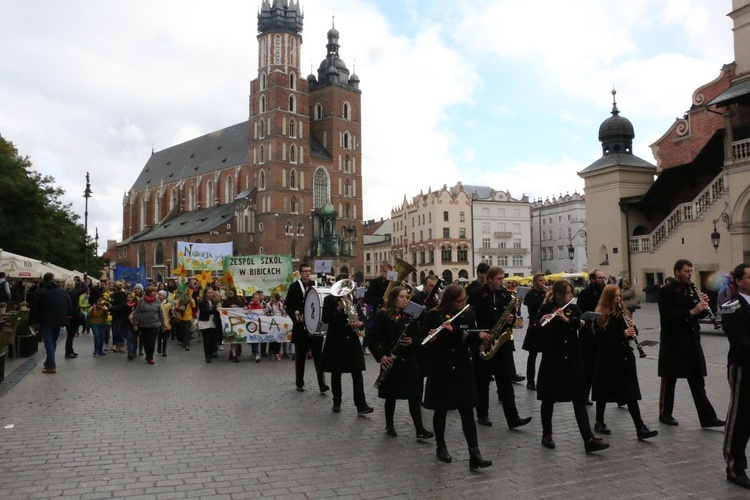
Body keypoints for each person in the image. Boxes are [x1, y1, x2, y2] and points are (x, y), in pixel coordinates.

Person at [422, 284, 492, 470]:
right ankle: (441, 446)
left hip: (462, 366)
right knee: (441, 408)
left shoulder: (468, 314)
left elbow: (473, 337)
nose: (462, 304)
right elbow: (423, 342)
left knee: (467, 410)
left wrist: (458, 333)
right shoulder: (433, 315)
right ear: (449, 301)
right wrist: (432, 338)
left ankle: (474, 453)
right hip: (441, 367)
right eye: (459, 302)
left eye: (464, 301)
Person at [536, 280, 609, 453]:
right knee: (548, 398)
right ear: (559, 295)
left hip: (573, 358)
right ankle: (547, 434)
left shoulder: (573, 309)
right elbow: (538, 330)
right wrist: (542, 322)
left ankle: (588, 438)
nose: (571, 296)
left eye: (571, 293)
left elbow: (583, 324)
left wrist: (566, 319)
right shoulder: (547, 308)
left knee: (579, 398)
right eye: (568, 293)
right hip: (553, 358)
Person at [657, 259, 724, 428]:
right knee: (669, 378)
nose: (689, 274)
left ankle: (707, 417)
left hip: (691, 340)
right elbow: (668, 316)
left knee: (697, 379)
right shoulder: (666, 291)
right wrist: (691, 311)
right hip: (673, 340)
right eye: (686, 271)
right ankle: (665, 413)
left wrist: (703, 308)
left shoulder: (692, 290)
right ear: (676, 272)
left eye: (691, 271)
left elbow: (697, 315)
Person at [467, 266, 531, 429]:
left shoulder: (506, 295)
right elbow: (468, 317)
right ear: (489, 279)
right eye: (499, 279)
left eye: (503, 278)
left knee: (505, 382)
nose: (502, 282)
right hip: (484, 341)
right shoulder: (476, 294)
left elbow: (515, 320)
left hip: (502, 344)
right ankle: (482, 414)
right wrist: (479, 333)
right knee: (481, 381)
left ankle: (513, 418)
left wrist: (511, 318)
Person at [591, 285, 658, 440]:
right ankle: (599, 421)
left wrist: (633, 328)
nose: (618, 299)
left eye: (619, 296)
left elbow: (631, 334)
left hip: (625, 357)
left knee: (630, 393)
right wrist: (622, 334)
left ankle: (640, 427)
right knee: (603, 392)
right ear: (608, 298)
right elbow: (603, 340)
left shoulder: (622, 312)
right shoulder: (600, 316)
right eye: (615, 296)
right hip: (608, 358)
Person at [370, 286, 432, 436]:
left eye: (406, 297)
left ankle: (419, 429)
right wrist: (381, 356)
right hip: (391, 362)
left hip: (409, 361)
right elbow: (372, 338)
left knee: (414, 396)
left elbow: (420, 336)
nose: (405, 300)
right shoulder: (383, 316)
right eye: (402, 297)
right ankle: (389, 426)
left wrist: (413, 341)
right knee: (391, 396)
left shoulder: (410, 316)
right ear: (393, 299)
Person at [322, 275, 373, 415]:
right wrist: (338, 309)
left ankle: (361, 405)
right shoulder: (329, 300)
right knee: (336, 373)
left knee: (357, 372)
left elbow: (362, 318)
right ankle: (336, 401)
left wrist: (360, 324)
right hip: (336, 340)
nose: (346, 290)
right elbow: (325, 318)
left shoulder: (353, 299)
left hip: (351, 340)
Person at [721, 263, 750, 489]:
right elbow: (740, 342)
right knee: (740, 417)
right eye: (749, 277)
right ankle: (734, 467)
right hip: (744, 367)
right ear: (738, 281)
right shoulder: (732, 307)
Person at [285, 263, 328, 393]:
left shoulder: (315, 285)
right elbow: (289, 306)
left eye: (309, 271)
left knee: (318, 357)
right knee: (301, 357)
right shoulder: (294, 287)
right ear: (300, 273)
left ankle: (322, 384)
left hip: (315, 327)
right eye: (305, 271)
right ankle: (299, 382)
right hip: (301, 327)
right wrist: (295, 314)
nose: (307, 274)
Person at [575, 269, 606, 404]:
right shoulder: (585, 293)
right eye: (599, 278)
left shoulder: (605, 291)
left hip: (602, 332)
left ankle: (617, 396)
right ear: (592, 279)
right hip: (588, 334)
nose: (602, 280)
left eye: (603, 278)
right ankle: (585, 394)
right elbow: (579, 311)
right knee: (588, 366)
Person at [29, 273, 72, 374]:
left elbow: (34, 307)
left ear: (44, 280)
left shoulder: (41, 292)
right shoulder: (62, 291)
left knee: (49, 342)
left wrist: (31, 320)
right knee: (53, 341)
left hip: (45, 320)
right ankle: (49, 362)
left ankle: (51, 366)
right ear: (53, 279)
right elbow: (69, 305)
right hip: (59, 320)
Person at [521, 273, 546, 391]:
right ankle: (530, 381)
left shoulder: (546, 293)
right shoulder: (531, 294)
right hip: (534, 325)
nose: (543, 283)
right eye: (540, 281)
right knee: (533, 355)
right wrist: (544, 298)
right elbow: (533, 307)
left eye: (544, 280)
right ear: (535, 282)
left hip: (545, 326)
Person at [363, 263, 392, 355]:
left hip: (389, 310)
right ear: (381, 272)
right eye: (385, 272)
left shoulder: (392, 283)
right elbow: (367, 298)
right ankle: (367, 345)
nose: (387, 274)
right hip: (377, 308)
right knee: (371, 328)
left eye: (389, 272)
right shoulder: (375, 282)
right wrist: (381, 301)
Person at [132, 285, 165, 365]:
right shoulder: (142, 301)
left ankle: (150, 357)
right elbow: (136, 312)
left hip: (154, 324)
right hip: (143, 325)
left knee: (152, 341)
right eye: (153, 292)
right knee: (146, 341)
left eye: (155, 292)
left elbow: (160, 313)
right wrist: (135, 324)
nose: (155, 293)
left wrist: (163, 324)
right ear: (149, 293)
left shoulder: (157, 301)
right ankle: (147, 354)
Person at [197, 287, 220, 363]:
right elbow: (206, 311)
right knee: (206, 340)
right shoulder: (201, 302)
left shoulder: (214, 302)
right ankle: (207, 355)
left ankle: (211, 352)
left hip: (212, 322)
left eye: (211, 292)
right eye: (209, 293)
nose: (210, 294)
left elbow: (216, 311)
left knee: (213, 339)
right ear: (205, 293)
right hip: (204, 322)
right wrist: (215, 310)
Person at [157, 290, 171, 357]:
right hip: (157, 323)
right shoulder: (156, 303)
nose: (159, 296)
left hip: (165, 322)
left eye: (160, 295)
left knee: (165, 337)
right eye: (158, 294)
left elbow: (171, 313)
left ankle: (164, 350)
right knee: (159, 337)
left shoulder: (168, 304)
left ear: (164, 296)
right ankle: (159, 347)